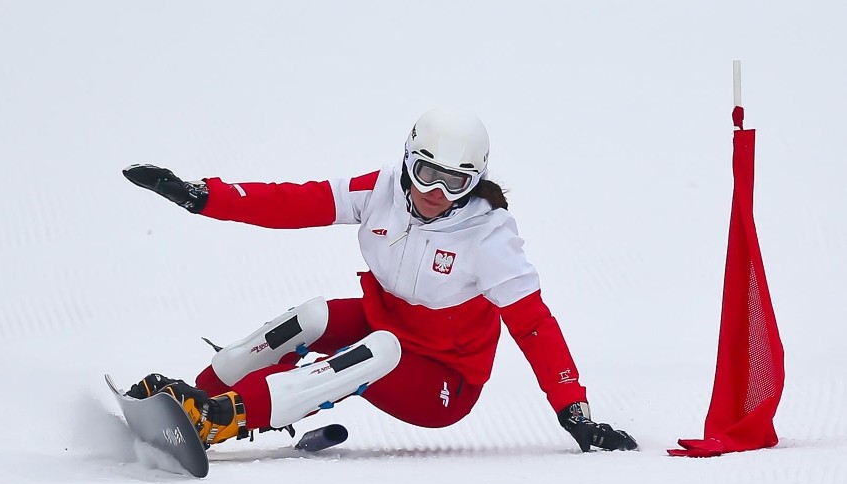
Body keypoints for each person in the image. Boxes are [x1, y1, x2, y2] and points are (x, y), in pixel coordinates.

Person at [122, 108, 637, 452]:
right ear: (407, 160)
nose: (434, 191)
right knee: (313, 316)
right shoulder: (383, 189)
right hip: (384, 323)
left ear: (475, 180)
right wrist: (203, 197)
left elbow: (534, 327)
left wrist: (575, 411)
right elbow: (295, 202)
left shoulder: (489, 237)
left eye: (455, 181)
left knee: (378, 350)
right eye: (425, 172)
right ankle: (196, 397)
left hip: (441, 381)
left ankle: (219, 417)